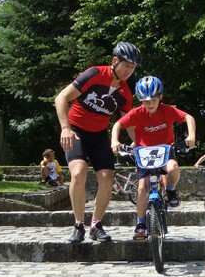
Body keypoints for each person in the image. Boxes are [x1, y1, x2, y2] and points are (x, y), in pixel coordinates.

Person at [55, 41, 142, 243]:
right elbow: (61, 98)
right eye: (126, 65)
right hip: (76, 131)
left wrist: (141, 142)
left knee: (107, 178)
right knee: (78, 173)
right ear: (115, 61)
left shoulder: (125, 93)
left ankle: (95, 225)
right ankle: (78, 225)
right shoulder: (94, 73)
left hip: (99, 135)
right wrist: (65, 128)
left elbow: (128, 123)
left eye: (132, 68)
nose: (129, 71)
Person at [111, 75, 196, 240]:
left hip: (165, 150)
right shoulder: (137, 113)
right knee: (142, 188)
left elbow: (188, 117)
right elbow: (118, 124)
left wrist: (191, 135)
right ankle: (141, 223)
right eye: (145, 101)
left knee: (173, 168)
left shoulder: (167, 110)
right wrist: (115, 140)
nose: (149, 104)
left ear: (160, 97)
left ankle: (170, 190)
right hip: (144, 153)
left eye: (153, 100)